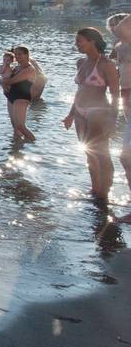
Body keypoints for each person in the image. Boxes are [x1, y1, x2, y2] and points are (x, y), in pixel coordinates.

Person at [63, 27, 118, 201]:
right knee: (89, 153)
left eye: (80, 41)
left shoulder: (106, 65)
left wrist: (112, 121)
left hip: (99, 112)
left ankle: (105, 193)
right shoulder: (80, 62)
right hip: (80, 111)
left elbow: (115, 95)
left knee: (102, 154)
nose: (76, 45)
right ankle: (95, 189)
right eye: (76, 41)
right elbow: (79, 90)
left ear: (92, 41)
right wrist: (71, 114)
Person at [107, 15, 131, 221]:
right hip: (127, 100)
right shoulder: (120, 46)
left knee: (126, 157)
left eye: (117, 25)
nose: (114, 29)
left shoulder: (126, 43)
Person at [0, 46, 37, 143]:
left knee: (20, 126)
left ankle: (35, 144)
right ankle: (17, 149)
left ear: (27, 55)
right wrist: (2, 81)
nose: (17, 56)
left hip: (21, 98)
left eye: (20, 54)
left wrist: (1, 81)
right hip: (11, 97)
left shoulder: (29, 69)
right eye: (15, 54)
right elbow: (4, 77)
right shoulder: (16, 67)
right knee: (15, 126)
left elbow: (11, 81)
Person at [107, 13, 131, 119]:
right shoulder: (117, 43)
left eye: (115, 24)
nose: (113, 28)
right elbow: (120, 65)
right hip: (124, 86)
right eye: (110, 25)